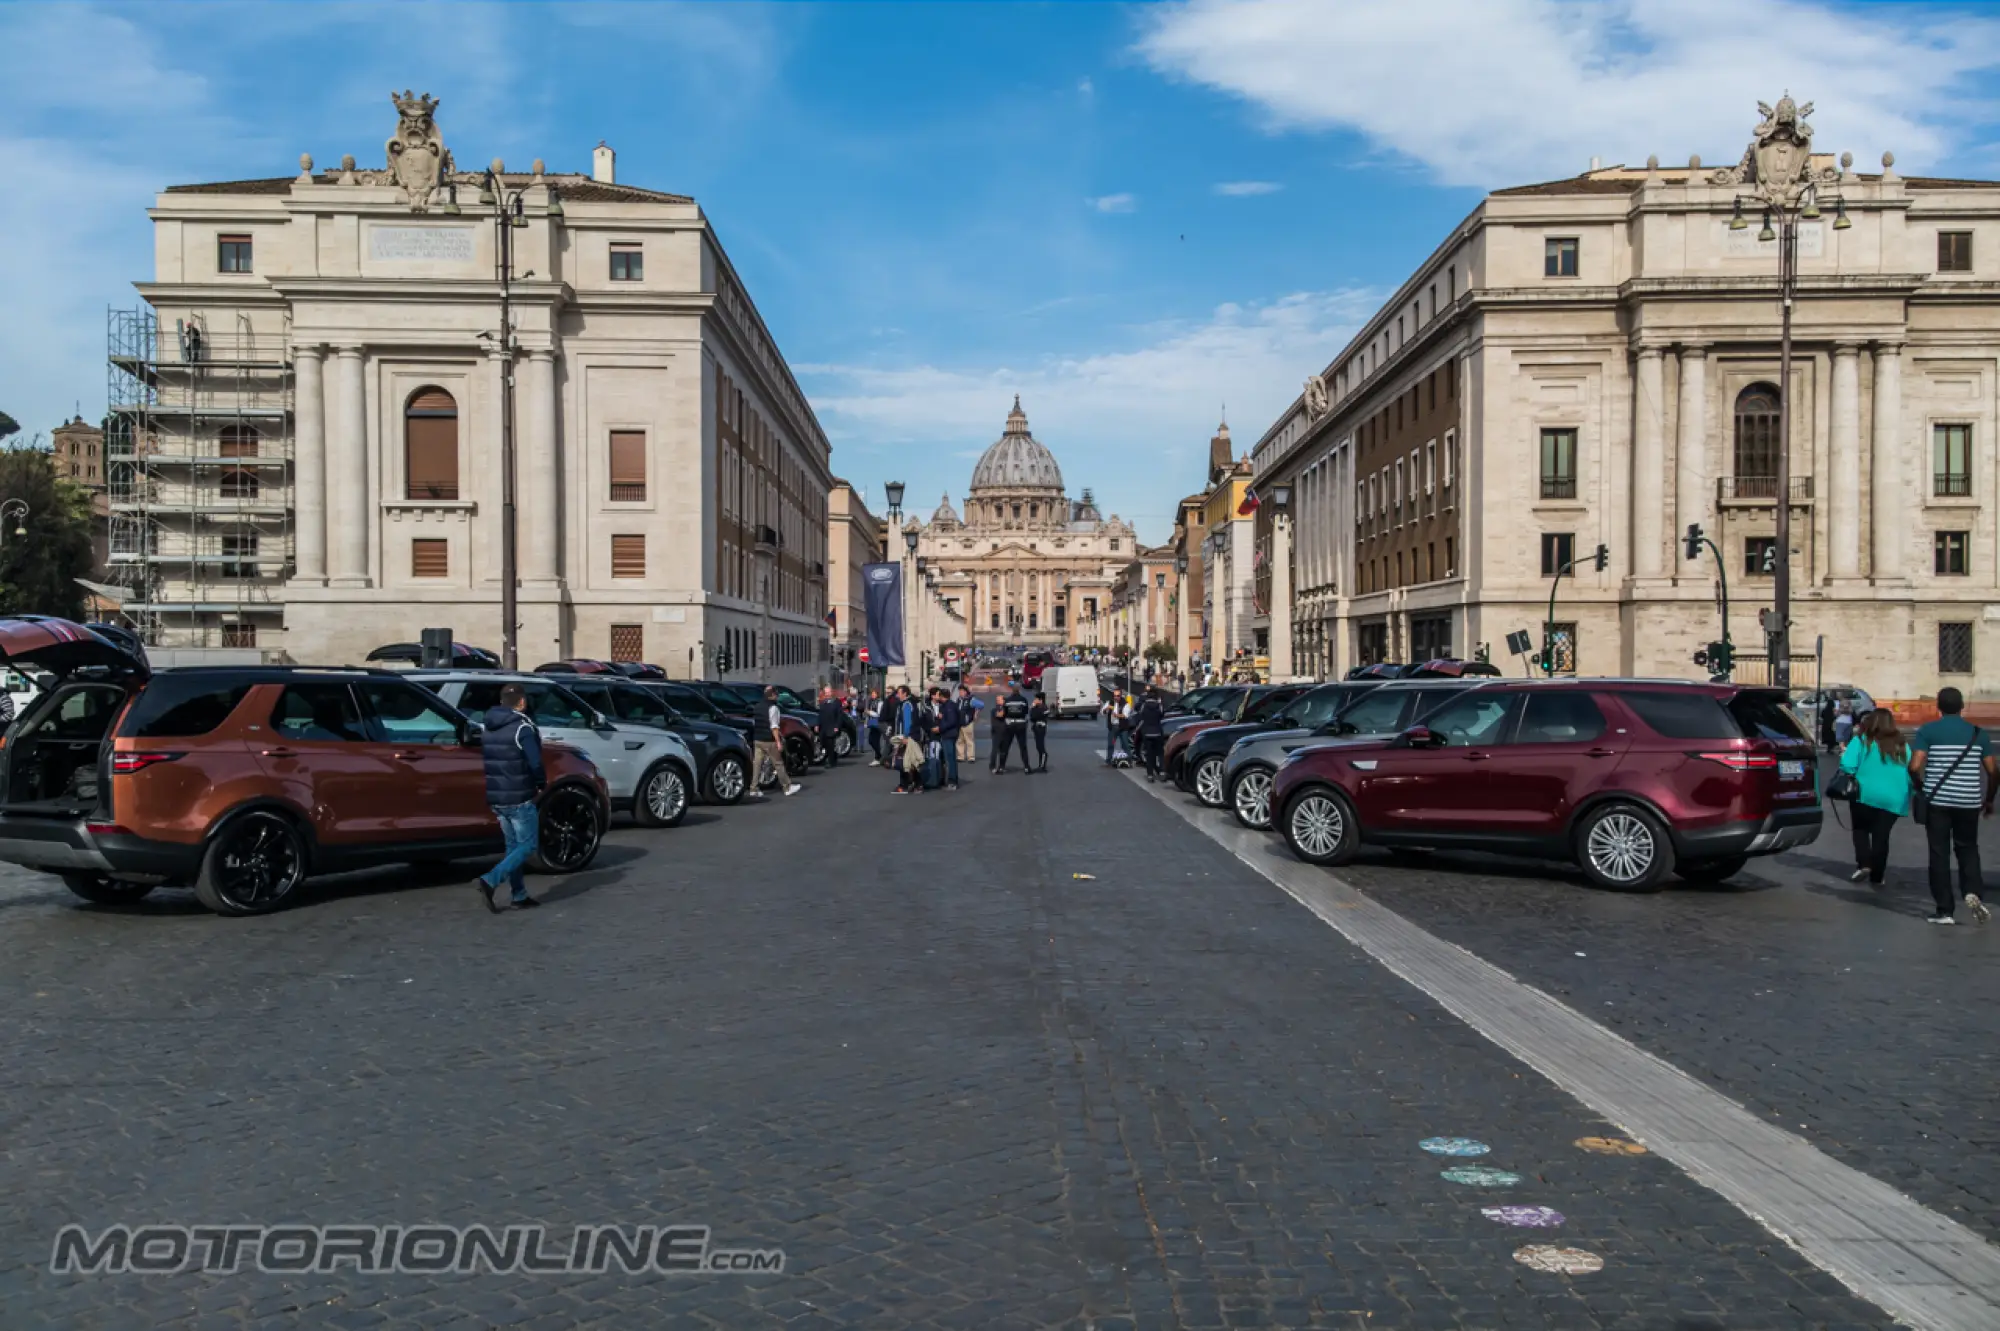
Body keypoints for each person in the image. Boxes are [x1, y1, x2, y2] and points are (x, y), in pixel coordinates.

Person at [1910, 686, 1995, 924]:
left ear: (1938, 706)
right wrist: (1989, 799)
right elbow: (1992, 771)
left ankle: (1944, 910)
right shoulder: (1979, 734)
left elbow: (1915, 765)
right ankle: (1973, 891)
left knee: (1939, 853)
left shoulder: (1928, 731)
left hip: (1938, 801)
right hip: (1969, 801)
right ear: (1962, 707)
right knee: (1968, 847)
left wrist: (1920, 786)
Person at [475, 683, 544, 912]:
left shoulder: (489, 726)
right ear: (522, 702)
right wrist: (541, 783)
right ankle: (490, 880)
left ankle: (519, 895)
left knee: (513, 847)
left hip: (497, 796)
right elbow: (535, 761)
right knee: (528, 845)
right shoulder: (522, 727)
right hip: (519, 795)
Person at [1839, 708, 1910, 887]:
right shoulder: (1902, 744)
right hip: (1894, 797)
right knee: (1882, 836)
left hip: (1865, 794)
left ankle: (1864, 864)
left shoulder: (1862, 741)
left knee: (1860, 829)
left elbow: (1847, 765)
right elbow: (1912, 769)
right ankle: (1878, 875)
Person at [753, 685, 802, 799]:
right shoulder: (773, 708)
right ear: (773, 695)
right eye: (776, 694)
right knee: (778, 763)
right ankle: (787, 787)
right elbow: (774, 726)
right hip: (769, 740)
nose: (777, 696)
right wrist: (778, 741)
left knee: (757, 764)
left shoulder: (757, 707)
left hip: (758, 739)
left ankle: (754, 788)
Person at [1134, 687, 1166, 782]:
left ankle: (1150, 774)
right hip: (1157, 732)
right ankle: (1162, 772)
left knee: (1149, 754)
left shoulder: (1144, 705)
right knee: (1160, 753)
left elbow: (1140, 714)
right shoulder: (1159, 706)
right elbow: (1162, 715)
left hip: (1147, 733)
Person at [996, 684, 1030, 772]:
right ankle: (1026, 767)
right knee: (1023, 747)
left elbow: (1004, 712)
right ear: (1019, 690)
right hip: (1021, 724)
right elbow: (1026, 712)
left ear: (1012, 690)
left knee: (1005, 747)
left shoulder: (1007, 701)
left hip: (1010, 725)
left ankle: (1001, 767)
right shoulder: (1023, 700)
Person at [935, 686, 962, 791]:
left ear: (942, 696)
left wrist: (940, 727)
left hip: (949, 735)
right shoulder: (947, 706)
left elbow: (951, 721)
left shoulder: (949, 707)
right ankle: (950, 779)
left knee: (950, 758)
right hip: (949, 734)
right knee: (949, 758)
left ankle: (952, 781)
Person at [816, 686, 845, 768]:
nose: (827, 694)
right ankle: (833, 756)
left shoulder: (836, 702)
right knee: (824, 743)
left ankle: (831, 762)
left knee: (830, 744)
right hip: (824, 726)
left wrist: (837, 726)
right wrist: (817, 724)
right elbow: (820, 715)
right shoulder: (822, 703)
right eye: (826, 693)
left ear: (831, 692)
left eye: (829, 692)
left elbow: (839, 715)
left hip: (832, 726)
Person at [955, 684, 980, 767]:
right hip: (959, 723)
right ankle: (960, 756)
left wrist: (976, 713)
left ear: (965, 692)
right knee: (959, 740)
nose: (960, 692)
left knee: (969, 740)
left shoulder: (971, 699)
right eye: (959, 691)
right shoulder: (958, 699)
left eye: (961, 691)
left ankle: (971, 757)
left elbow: (981, 705)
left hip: (968, 723)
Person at [1028, 693, 1050, 773]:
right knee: (1038, 746)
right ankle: (1040, 764)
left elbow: (1036, 716)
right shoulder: (1036, 707)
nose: (1034, 700)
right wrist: (1033, 709)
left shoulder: (1044, 708)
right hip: (1036, 728)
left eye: (1036, 699)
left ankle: (1043, 766)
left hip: (1041, 728)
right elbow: (1031, 717)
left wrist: (1033, 708)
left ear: (1040, 700)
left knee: (1041, 746)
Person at [866, 688, 886, 765]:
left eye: (874, 693)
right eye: (872, 693)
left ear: (877, 694)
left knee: (875, 741)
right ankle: (879, 756)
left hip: (878, 724)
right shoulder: (872, 702)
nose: (873, 695)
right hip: (872, 724)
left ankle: (878, 758)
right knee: (871, 740)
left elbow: (879, 714)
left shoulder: (880, 702)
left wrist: (869, 712)